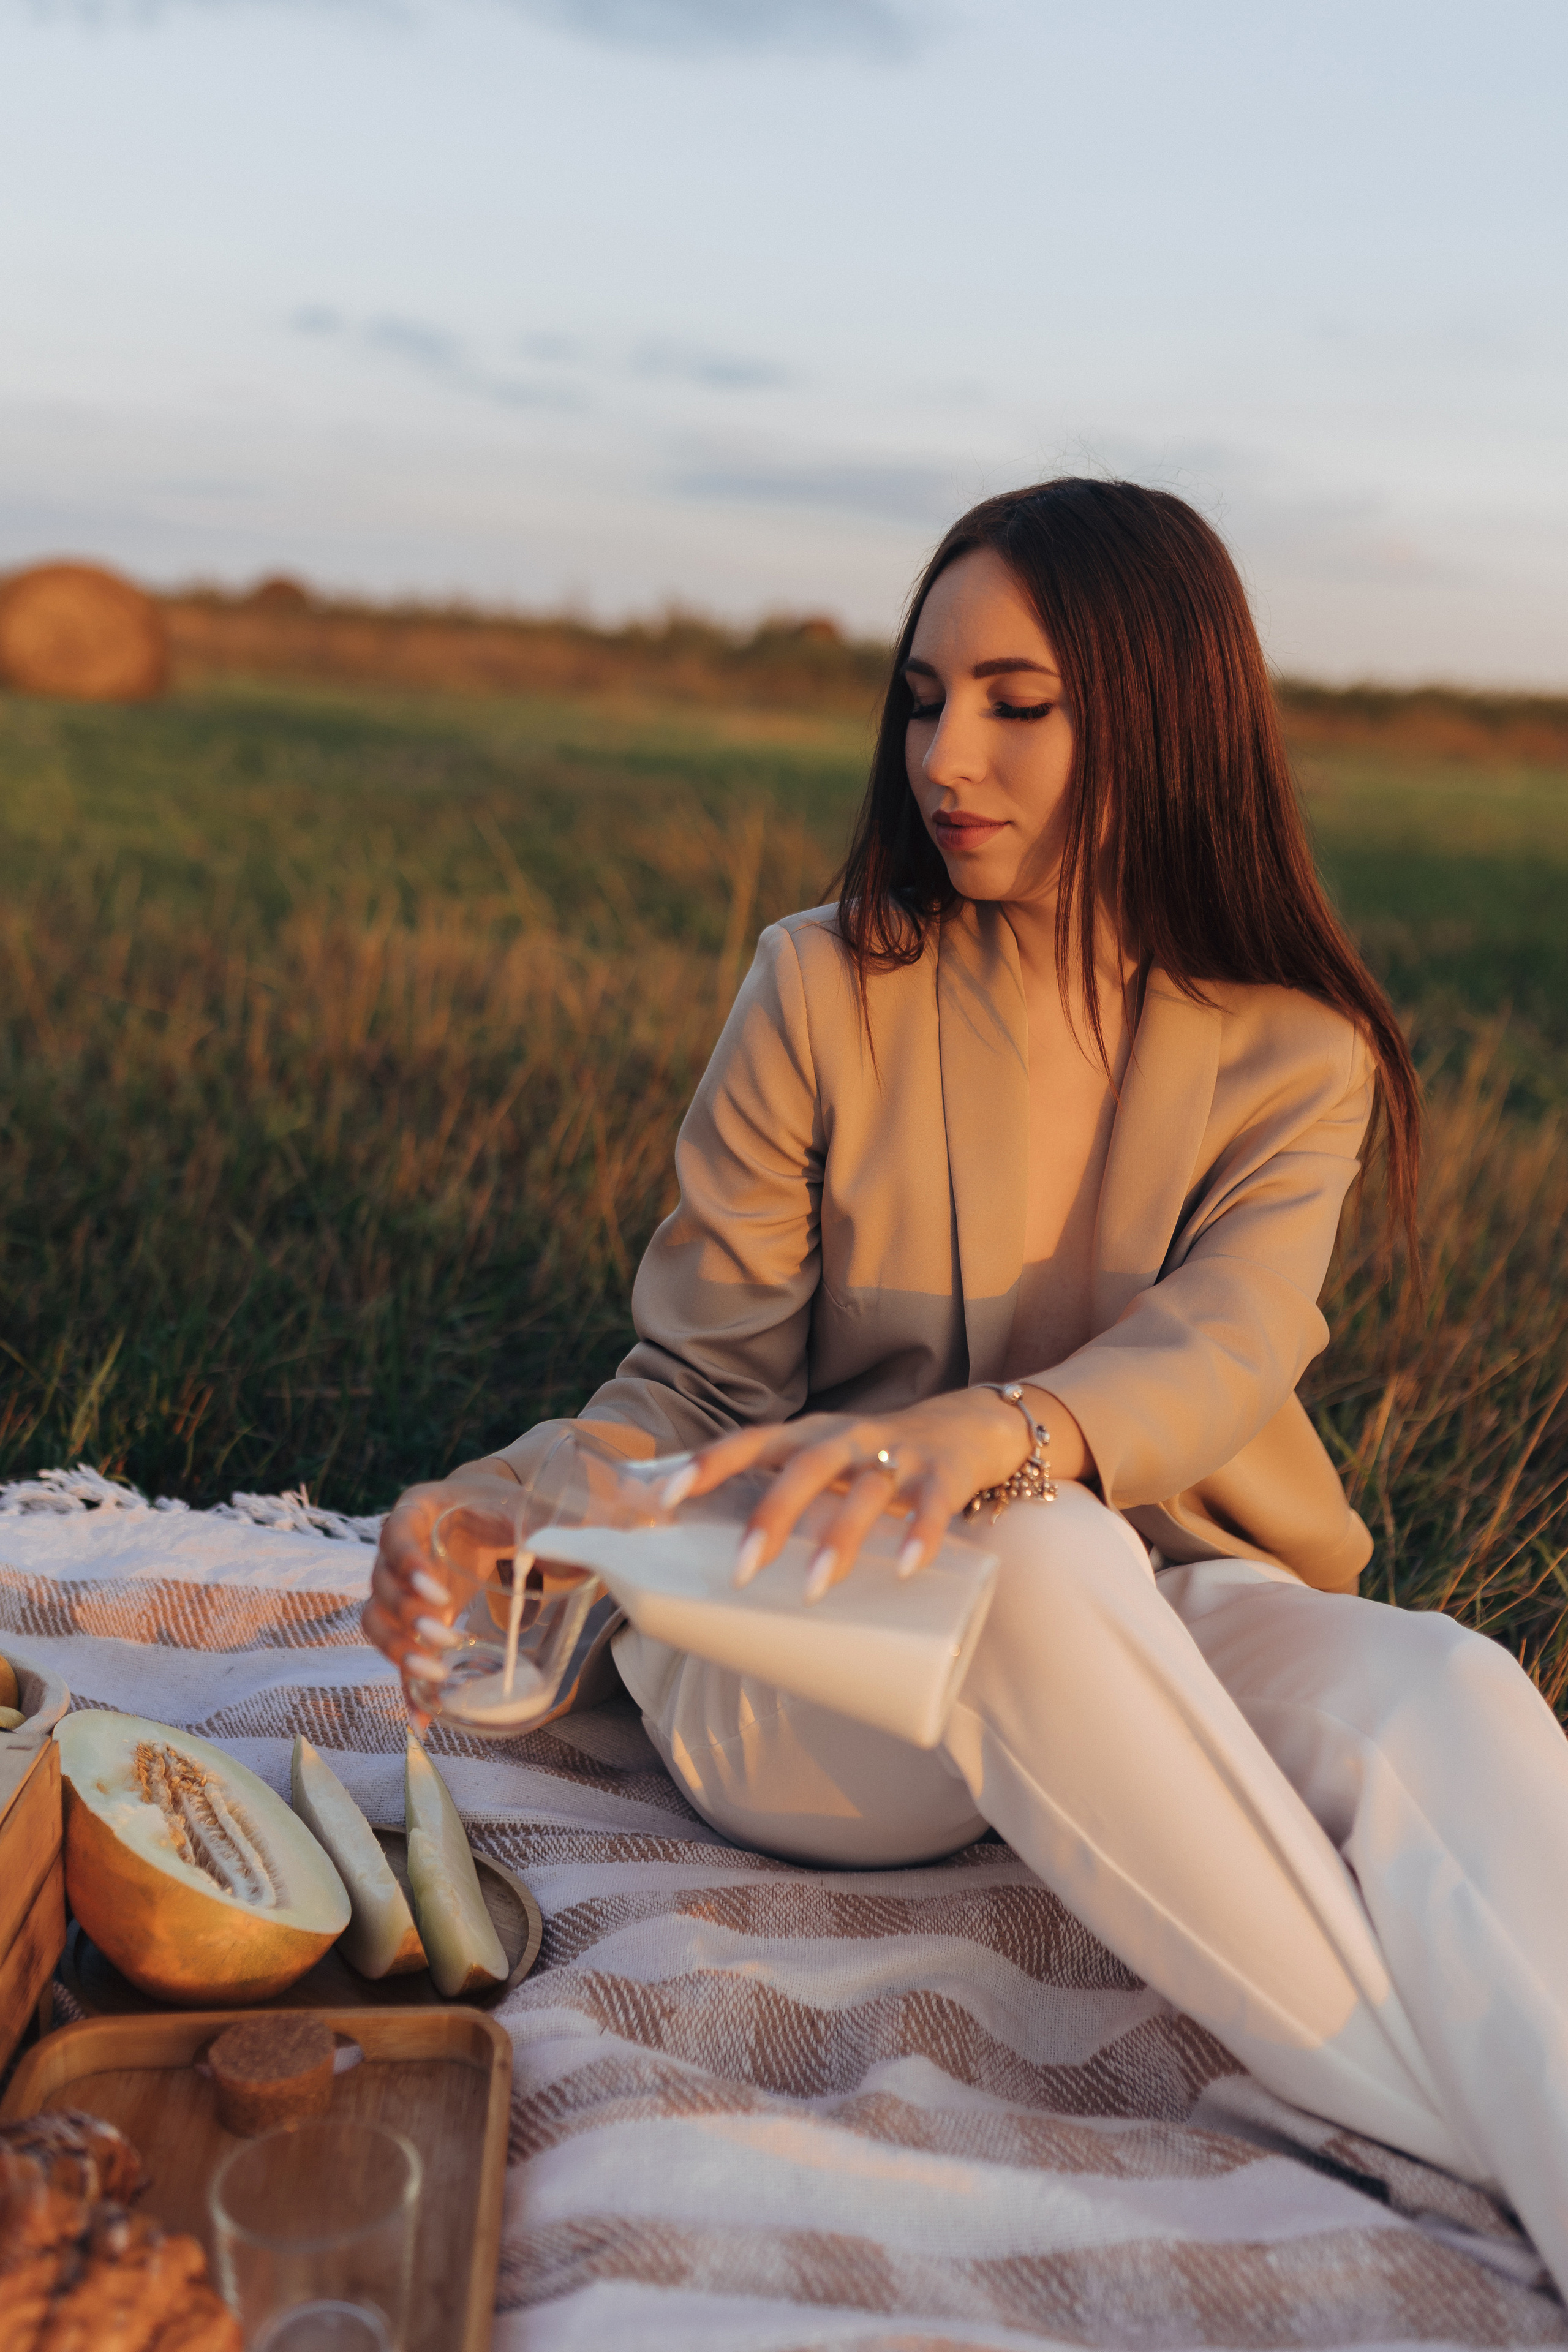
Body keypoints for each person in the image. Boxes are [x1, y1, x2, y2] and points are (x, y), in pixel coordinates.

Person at [365, 478, 1568, 2285]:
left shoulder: (1290, 1052)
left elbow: (1227, 1343)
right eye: (925, 697)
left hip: (1141, 1610)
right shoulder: (821, 984)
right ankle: (1432, 2136)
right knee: (1045, 1554)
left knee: (1446, 1686)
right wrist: (514, 1500)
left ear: (1166, 710)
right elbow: (694, 1376)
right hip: (801, 1666)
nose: (949, 753)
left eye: (1018, 701)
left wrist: (1006, 1432)